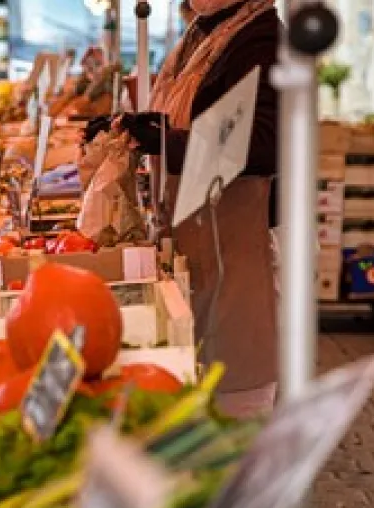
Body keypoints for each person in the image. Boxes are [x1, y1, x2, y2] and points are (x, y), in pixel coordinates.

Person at [117, 0, 280, 418]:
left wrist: (166, 144)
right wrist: (145, 128)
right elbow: (200, 120)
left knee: (235, 383)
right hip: (197, 232)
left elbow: (263, 144)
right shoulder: (204, 33)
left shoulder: (261, 39)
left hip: (234, 240)